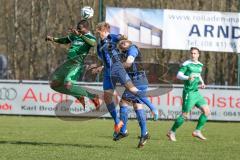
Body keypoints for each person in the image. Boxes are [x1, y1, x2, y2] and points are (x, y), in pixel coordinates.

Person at [95, 22, 158, 138]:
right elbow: (107, 58)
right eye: (99, 33)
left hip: (127, 73)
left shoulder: (120, 41)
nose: (100, 34)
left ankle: (152, 109)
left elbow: (123, 43)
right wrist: (102, 66)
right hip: (110, 73)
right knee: (110, 98)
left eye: (100, 32)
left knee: (130, 95)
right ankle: (122, 125)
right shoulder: (101, 44)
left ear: (105, 31)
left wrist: (122, 38)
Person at [46, 20, 100, 110]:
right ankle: (78, 96)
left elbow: (93, 44)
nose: (78, 30)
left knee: (68, 85)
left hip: (76, 64)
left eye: (80, 29)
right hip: (67, 64)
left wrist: (80, 35)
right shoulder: (75, 35)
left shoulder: (90, 37)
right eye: (77, 28)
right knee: (54, 85)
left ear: (86, 28)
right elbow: (65, 40)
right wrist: (53, 39)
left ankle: (93, 96)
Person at [113, 39, 158, 148]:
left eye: (124, 41)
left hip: (138, 80)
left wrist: (118, 67)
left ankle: (123, 130)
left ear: (129, 42)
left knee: (123, 103)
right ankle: (144, 133)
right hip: (138, 80)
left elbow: (129, 63)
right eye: (120, 43)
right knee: (137, 106)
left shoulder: (133, 49)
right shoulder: (122, 53)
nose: (122, 43)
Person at [167, 47, 210, 141]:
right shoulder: (187, 64)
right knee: (185, 115)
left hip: (196, 92)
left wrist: (202, 82)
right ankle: (172, 131)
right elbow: (178, 75)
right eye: (192, 53)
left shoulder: (200, 65)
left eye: (195, 53)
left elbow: (198, 75)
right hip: (189, 93)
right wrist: (187, 77)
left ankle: (197, 131)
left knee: (206, 111)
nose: (193, 55)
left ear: (198, 55)